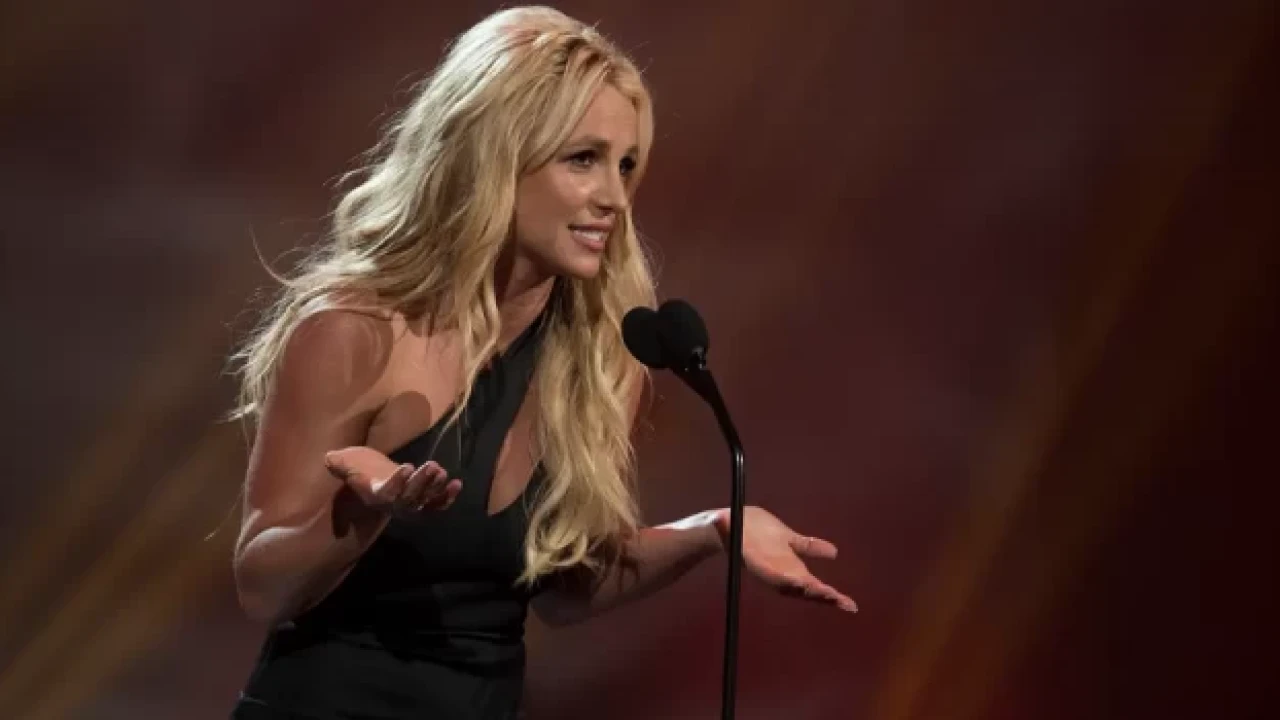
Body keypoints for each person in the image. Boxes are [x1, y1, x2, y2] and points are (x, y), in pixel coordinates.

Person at [227, 6, 855, 719]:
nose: (614, 197)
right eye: (583, 159)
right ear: (495, 155)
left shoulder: (598, 358)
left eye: (625, 165)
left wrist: (712, 530)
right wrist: (360, 516)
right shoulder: (354, 332)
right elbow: (262, 588)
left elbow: (561, 589)